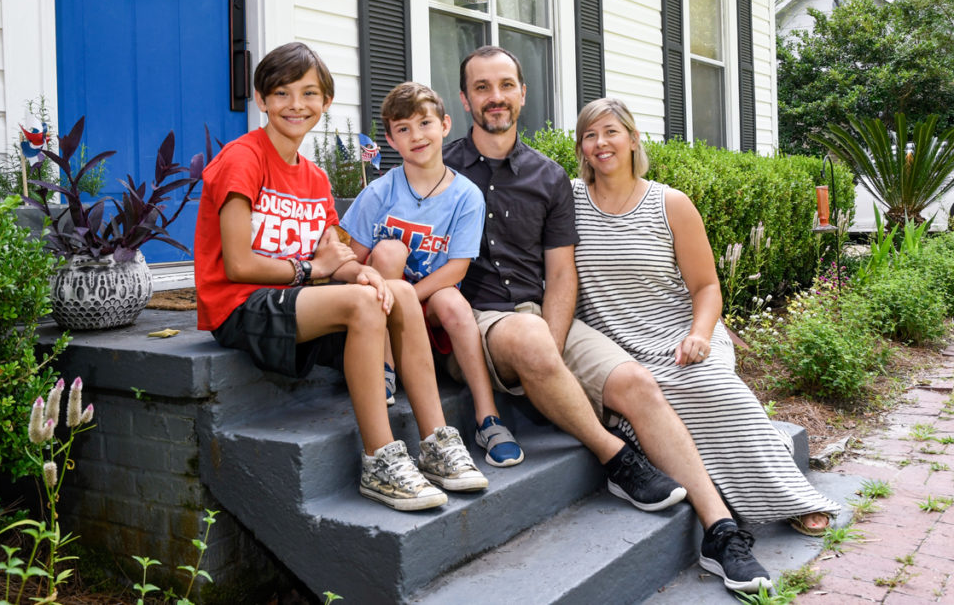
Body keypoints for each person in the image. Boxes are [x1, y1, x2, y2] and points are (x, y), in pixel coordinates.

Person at [443, 45, 772, 593]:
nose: (495, 97)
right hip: (474, 320)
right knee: (527, 335)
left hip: (542, 318)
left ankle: (720, 531)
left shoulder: (549, 179)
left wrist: (551, 344)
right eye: (482, 87)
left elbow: (562, 275)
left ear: (524, 94)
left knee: (637, 382)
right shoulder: (443, 166)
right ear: (465, 97)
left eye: (506, 85)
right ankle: (617, 457)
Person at [193, 42, 487, 513]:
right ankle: (380, 460)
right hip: (241, 306)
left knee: (399, 294)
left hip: (295, 303)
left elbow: (335, 255)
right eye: (282, 93)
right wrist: (315, 271)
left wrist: (364, 273)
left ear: (326, 103)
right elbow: (239, 266)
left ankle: (436, 444)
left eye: (309, 93)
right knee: (364, 302)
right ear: (261, 99)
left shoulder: (313, 177)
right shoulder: (243, 159)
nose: (296, 105)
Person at [570, 96, 841, 533]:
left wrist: (699, 333)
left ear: (634, 139)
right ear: (582, 147)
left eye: (611, 132)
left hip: (681, 333)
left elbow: (706, 286)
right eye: (590, 135)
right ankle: (745, 468)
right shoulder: (569, 199)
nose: (601, 143)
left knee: (709, 383)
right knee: (651, 402)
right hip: (616, 346)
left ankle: (791, 495)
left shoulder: (669, 203)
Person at [340, 81, 524, 467]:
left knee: (455, 303)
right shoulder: (379, 192)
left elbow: (456, 268)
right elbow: (350, 259)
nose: (416, 136)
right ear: (390, 139)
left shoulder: (466, 195)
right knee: (388, 251)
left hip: (430, 304)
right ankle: (384, 367)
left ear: (444, 125)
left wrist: (410, 296)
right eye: (403, 129)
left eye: (424, 123)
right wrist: (373, 279)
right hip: (381, 310)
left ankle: (487, 418)